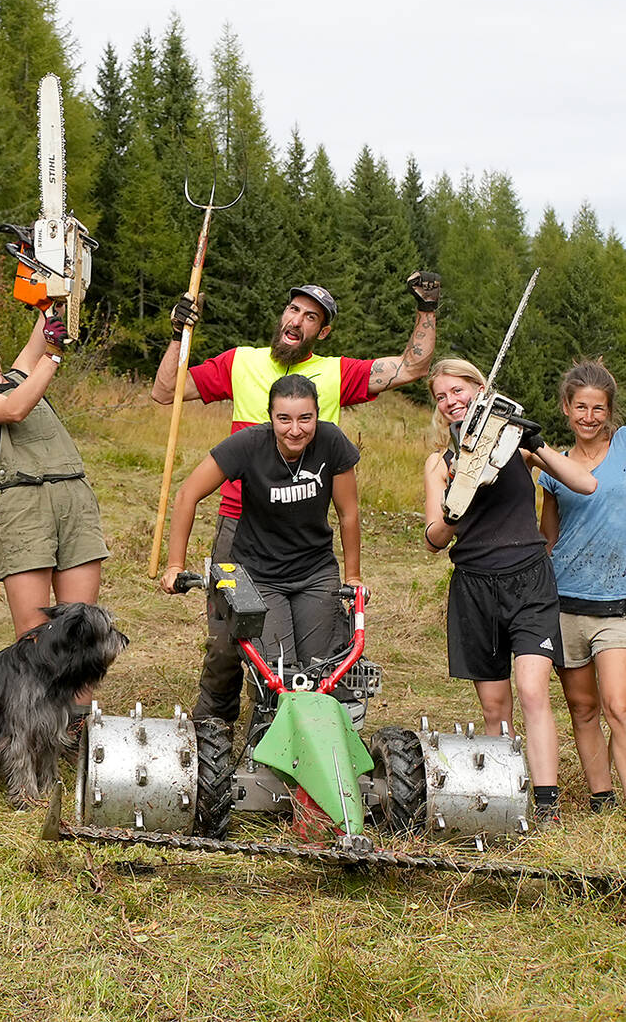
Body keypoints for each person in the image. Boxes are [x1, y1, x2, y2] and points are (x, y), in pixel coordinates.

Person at [151, 272, 440, 723]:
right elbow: (165, 392)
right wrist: (178, 335)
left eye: (311, 317)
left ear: (321, 332)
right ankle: (210, 731)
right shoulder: (240, 362)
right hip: (238, 524)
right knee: (227, 641)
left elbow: (411, 368)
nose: (298, 320)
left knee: (301, 657)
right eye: (293, 309)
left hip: (304, 532)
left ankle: (276, 727)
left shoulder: (336, 372)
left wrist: (427, 309)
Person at [423, 358, 597, 821]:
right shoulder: (440, 464)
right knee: (495, 705)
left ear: (480, 389)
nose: (451, 401)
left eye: (458, 391)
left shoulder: (514, 445)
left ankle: (547, 805)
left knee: (533, 689)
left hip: (529, 579)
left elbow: (586, 483)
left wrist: (538, 444)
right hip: (475, 588)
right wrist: (451, 511)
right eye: (442, 396)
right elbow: (432, 540)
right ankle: (506, 798)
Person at [160, 374, 362, 687]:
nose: (295, 430)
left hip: (315, 572)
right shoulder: (249, 444)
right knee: (278, 674)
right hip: (261, 575)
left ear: (317, 416)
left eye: (305, 419)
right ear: (270, 417)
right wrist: (175, 565)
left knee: (322, 671)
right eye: (284, 419)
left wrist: (353, 577)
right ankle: (266, 731)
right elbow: (187, 495)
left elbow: (348, 513)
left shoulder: (331, 441)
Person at [0, 301, 108, 640]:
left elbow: (50, 314)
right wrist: (54, 355)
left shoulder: (21, 372)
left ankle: (79, 697)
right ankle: (36, 697)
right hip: (24, 509)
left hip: (75, 499)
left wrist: (45, 281)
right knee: (35, 639)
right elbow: (13, 408)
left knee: (83, 634)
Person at [539, 359, 626, 811]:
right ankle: (602, 799)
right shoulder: (554, 465)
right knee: (583, 707)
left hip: (619, 602)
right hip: (566, 599)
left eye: (598, 408)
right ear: (567, 409)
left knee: (619, 706)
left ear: (610, 412)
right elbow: (548, 537)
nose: (589, 417)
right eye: (581, 408)